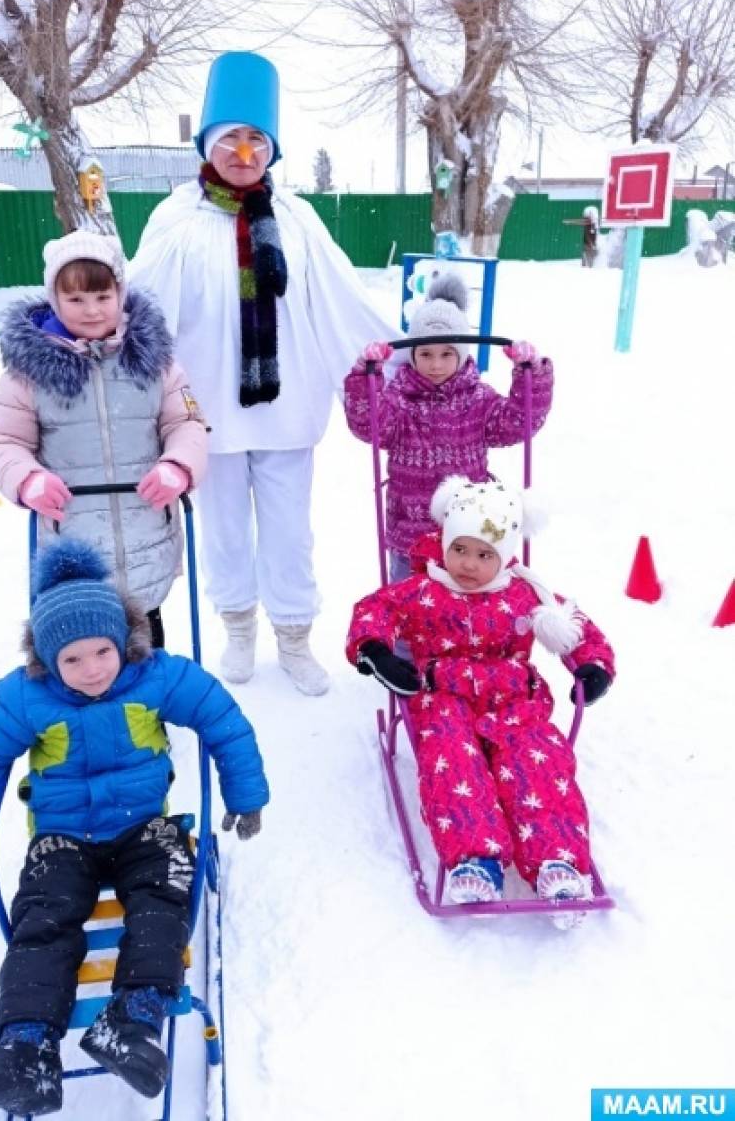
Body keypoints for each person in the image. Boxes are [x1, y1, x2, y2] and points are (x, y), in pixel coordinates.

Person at [0, 540, 269, 1116]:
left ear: (124, 642)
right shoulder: (24, 697)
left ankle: (132, 1020)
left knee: (162, 898)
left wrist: (246, 794)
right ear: (47, 660)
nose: (91, 670)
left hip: (145, 827)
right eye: (71, 659)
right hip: (63, 838)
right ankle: (27, 1050)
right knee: (43, 920)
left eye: (101, 652)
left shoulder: (158, 678)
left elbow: (224, 722)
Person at [125, 51, 396, 696]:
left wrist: (405, 349)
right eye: (230, 140)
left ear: (271, 149)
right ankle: (239, 627)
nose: (244, 154)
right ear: (207, 146)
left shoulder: (297, 218)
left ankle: (296, 637)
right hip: (205, 411)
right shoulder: (177, 217)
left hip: (286, 406)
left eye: (256, 141)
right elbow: (142, 300)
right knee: (222, 531)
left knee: (289, 532)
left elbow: (340, 294)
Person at [346, 477, 614, 913]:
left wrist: (592, 665)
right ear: (445, 543)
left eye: (484, 554)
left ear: (505, 556)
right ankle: (475, 859)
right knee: (452, 761)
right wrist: (376, 649)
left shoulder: (525, 593)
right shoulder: (423, 589)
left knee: (538, 761)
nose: (468, 564)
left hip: (514, 699)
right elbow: (374, 610)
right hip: (443, 696)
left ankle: (557, 860)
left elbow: (576, 625)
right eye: (460, 549)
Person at [0, 229, 208, 647]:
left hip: (146, 529)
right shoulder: (28, 372)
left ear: (120, 294)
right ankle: (89, 713)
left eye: (103, 297)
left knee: (144, 647)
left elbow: (186, 423)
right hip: (72, 539)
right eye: (76, 300)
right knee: (87, 650)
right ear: (55, 300)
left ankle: (148, 712)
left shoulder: (154, 360)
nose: (91, 311)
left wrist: (177, 464)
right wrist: (27, 478)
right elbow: (4, 441)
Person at [344, 272, 554, 583]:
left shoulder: (478, 399)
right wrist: (365, 380)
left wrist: (531, 375)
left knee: (464, 616)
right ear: (412, 355)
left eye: (446, 354)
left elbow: (519, 422)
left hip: (468, 537)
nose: (436, 364)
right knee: (409, 613)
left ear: (462, 354)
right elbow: (369, 424)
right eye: (426, 354)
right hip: (409, 538)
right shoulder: (399, 400)